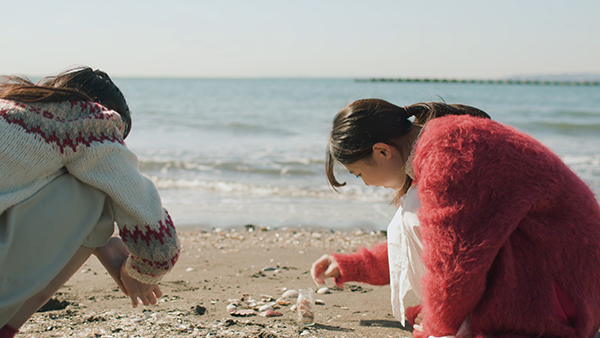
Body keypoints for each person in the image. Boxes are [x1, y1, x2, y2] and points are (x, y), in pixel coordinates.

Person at [312, 99, 600, 338]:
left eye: (359, 174)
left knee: (412, 208)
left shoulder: (450, 152)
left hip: (561, 303)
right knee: (413, 210)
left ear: (382, 151)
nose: (366, 184)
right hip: (554, 281)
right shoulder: (440, 143)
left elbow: (456, 261)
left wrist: (437, 329)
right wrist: (354, 266)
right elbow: (443, 239)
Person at [0, 67, 180, 338]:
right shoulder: (85, 118)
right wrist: (139, 274)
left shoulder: (12, 107)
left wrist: (103, 245)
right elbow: (159, 244)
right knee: (99, 191)